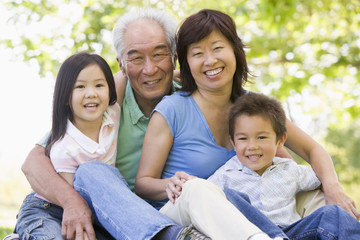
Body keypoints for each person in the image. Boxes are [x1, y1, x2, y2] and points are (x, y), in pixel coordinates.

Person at [135, 8, 359, 240]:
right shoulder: (171, 109)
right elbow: (142, 183)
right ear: (186, 63)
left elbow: (311, 150)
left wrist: (333, 188)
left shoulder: (254, 108)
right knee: (198, 187)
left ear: (235, 50)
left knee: (322, 201)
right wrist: (170, 184)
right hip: (184, 213)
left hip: (252, 219)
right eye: (197, 53)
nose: (210, 60)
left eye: (218, 48)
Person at [17, 8, 209, 240]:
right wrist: (72, 202)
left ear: (174, 57)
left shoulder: (192, 101)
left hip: (124, 221)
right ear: (121, 65)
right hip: (65, 209)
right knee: (93, 172)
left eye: (159, 54)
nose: (149, 69)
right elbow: (32, 162)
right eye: (137, 58)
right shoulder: (107, 102)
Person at [208, 92, 360, 239]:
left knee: (332, 213)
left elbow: (320, 180)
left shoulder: (290, 169)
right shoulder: (225, 174)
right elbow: (201, 197)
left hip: (290, 234)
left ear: (280, 141)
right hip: (250, 234)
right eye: (243, 138)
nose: (252, 146)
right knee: (231, 197)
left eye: (261, 137)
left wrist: (333, 189)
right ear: (233, 143)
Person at [15, 52, 122, 239]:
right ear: (65, 97)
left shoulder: (112, 114)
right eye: (80, 86)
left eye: (99, 85)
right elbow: (74, 203)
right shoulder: (65, 147)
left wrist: (175, 76)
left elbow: (127, 73)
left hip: (93, 209)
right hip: (50, 208)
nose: (91, 93)